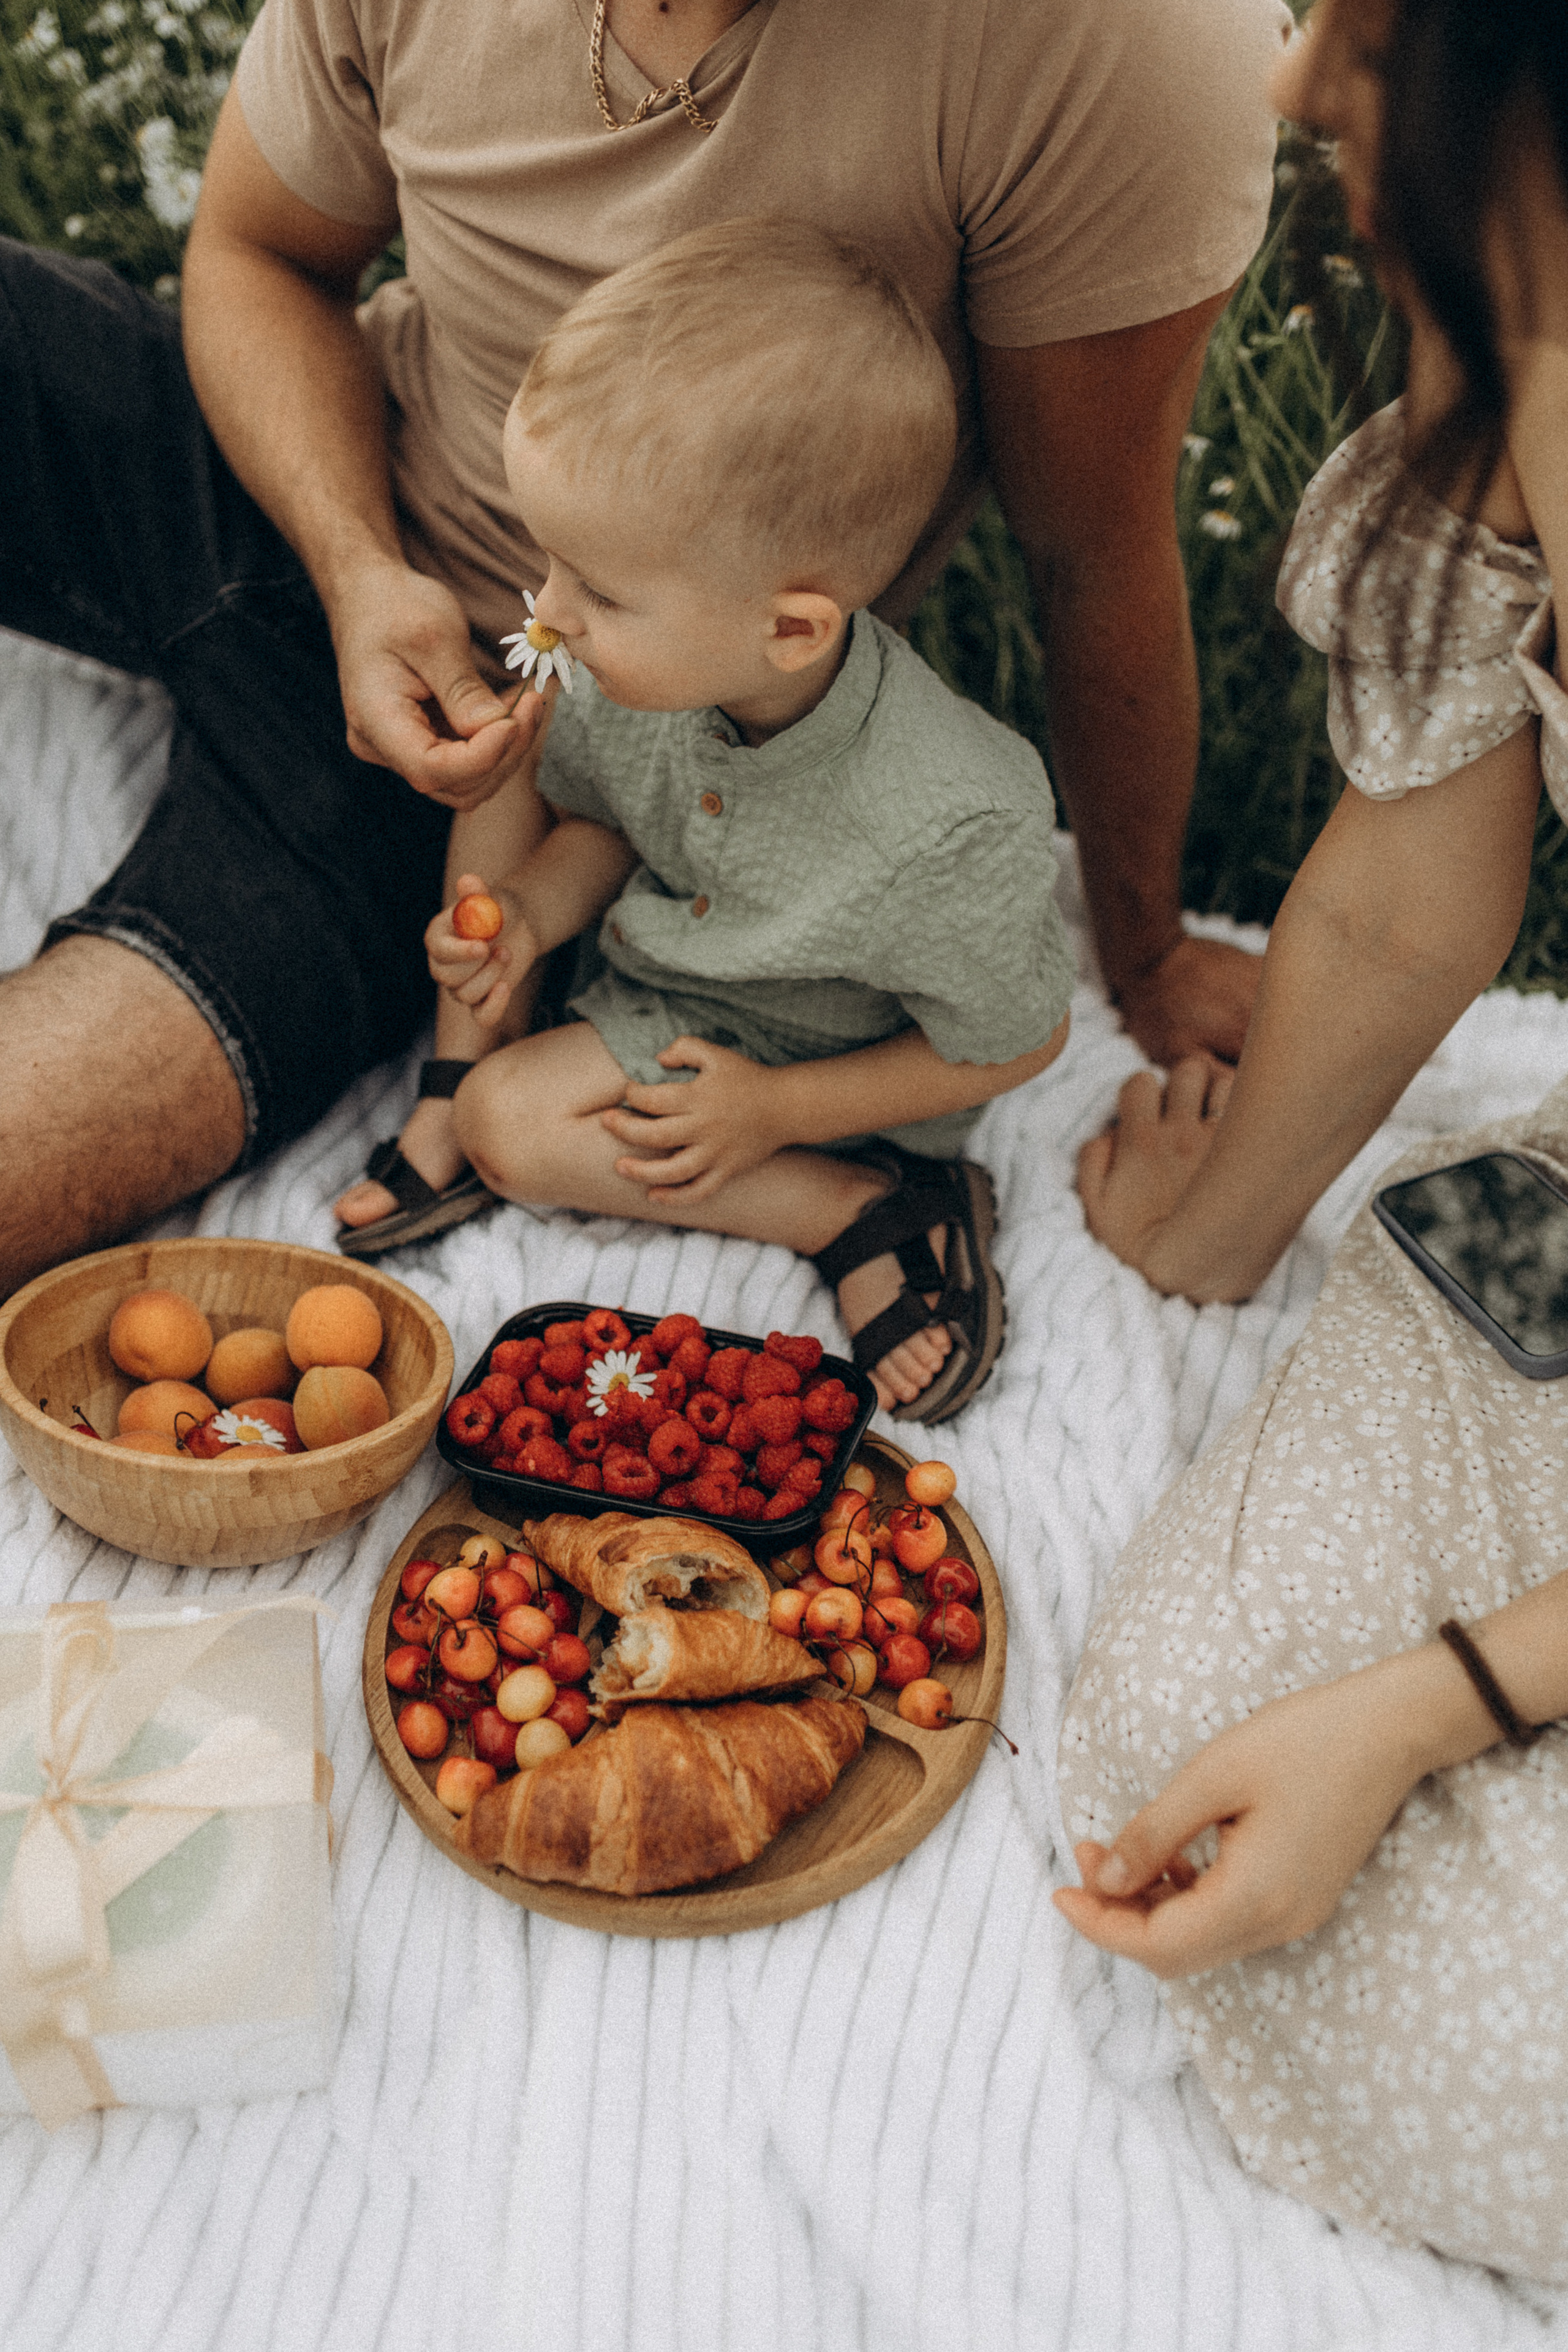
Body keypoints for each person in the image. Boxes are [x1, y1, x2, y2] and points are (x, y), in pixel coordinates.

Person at [0, 0, 1289, 1301]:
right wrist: (358, 572)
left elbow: (1095, 548)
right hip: (308, 462)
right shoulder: (581, 633)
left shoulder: (1113, 47)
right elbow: (259, 253)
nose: (545, 605)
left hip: (437, 749)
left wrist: (1145, 952)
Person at [1058, 0, 1568, 2279]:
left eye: (1369, 16)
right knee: (1174, 1738)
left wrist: (1440, 1705)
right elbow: (1409, 870)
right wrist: (1218, 1216)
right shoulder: (1528, 355)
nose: (1286, 82)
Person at [422, 221, 1072, 1420]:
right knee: (499, 1122)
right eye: (548, 565)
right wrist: (526, 912)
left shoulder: (951, 814)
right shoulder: (643, 684)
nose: (548, 616)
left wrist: (773, 1111)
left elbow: (1016, 1041)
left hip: (833, 1068)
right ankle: (843, 1203)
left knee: (506, 1124)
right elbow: (608, 832)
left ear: (790, 630)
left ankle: (867, 1193)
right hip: (681, 1009)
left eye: (599, 591)